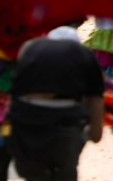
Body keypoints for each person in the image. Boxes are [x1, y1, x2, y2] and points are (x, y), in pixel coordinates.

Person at [8, 26, 105, 181]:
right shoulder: (84, 54)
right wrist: (96, 132)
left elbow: (15, 85)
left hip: (26, 118)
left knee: (32, 172)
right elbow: (95, 98)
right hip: (65, 121)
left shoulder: (30, 47)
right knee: (65, 171)